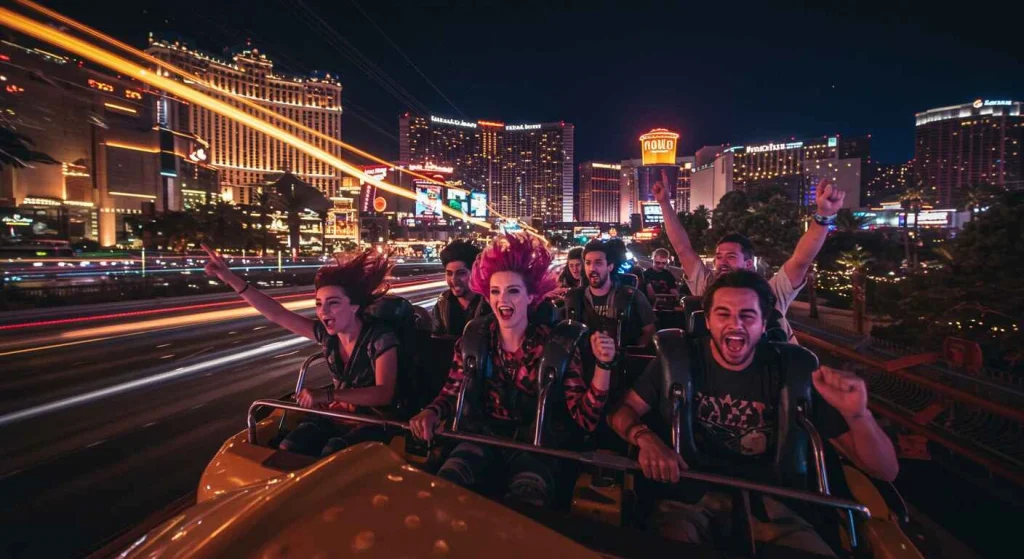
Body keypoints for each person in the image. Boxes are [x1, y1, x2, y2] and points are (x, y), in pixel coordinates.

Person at [607, 271, 898, 554]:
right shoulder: (678, 362)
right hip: (690, 499)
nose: (735, 325)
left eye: (747, 315)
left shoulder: (792, 371)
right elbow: (622, 412)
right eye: (723, 314)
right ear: (707, 320)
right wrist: (645, 438)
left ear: (763, 324)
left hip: (777, 505)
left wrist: (859, 416)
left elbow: (885, 470)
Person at [409, 233, 616, 507]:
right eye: (495, 291)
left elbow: (585, 418)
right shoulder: (474, 340)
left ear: (531, 296)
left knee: (525, 504)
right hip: (481, 439)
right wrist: (431, 412)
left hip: (536, 446)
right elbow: (452, 392)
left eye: (513, 291)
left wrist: (604, 364)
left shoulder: (556, 347)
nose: (502, 299)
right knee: (445, 490)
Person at [202, 245, 400, 457]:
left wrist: (327, 394)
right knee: (289, 446)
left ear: (354, 307)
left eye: (333, 303)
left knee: (332, 453)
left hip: (374, 421)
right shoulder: (328, 337)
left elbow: (383, 393)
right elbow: (277, 314)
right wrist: (230, 277)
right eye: (319, 304)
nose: (323, 311)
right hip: (335, 416)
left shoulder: (380, 338)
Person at [654, 170, 844, 342]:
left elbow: (801, 260)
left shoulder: (770, 293)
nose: (722, 262)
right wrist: (664, 203)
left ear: (748, 264)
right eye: (719, 256)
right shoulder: (707, 285)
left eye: (730, 256)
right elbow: (682, 248)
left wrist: (823, 215)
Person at [564, 239, 657, 348]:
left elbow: (650, 330)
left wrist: (629, 354)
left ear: (610, 266)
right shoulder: (574, 298)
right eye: (588, 263)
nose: (592, 268)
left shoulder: (632, 296)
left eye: (598, 263)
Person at [432, 240, 491, 336]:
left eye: (461, 273)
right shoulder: (442, 304)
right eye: (449, 273)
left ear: (475, 272)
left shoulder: (489, 303)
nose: (454, 279)